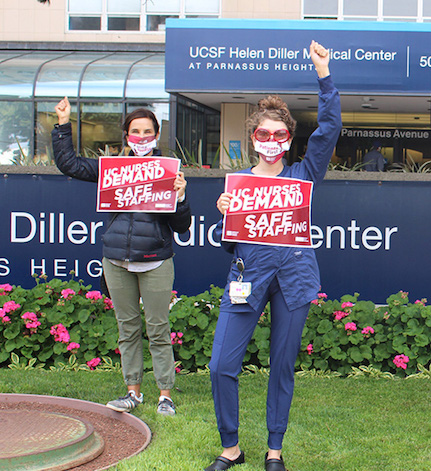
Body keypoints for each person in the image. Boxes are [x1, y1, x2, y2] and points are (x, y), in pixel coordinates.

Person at [204, 40, 340, 471]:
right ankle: (231, 447)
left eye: (279, 135)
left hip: (294, 278)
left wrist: (324, 75)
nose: (271, 141)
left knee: (281, 366)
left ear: (288, 139)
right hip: (248, 276)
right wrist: (225, 214)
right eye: (263, 134)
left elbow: (330, 128)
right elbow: (230, 242)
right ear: (253, 138)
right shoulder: (238, 182)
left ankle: (275, 449)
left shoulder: (304, 172)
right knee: (220, 364)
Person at [52, 99, 191, 417]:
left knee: (158, 329)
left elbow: (182, 227)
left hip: (155, 260)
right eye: (135, 131)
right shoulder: (112, 168)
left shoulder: (169, 170)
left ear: (157, 135)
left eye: (147, 132)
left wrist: (180, 196)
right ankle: (133, 393)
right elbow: (71, 165)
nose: (141, 137)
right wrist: (62, 123)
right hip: (116, 260)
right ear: (126, 135)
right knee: (127, 329)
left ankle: (165, 395)